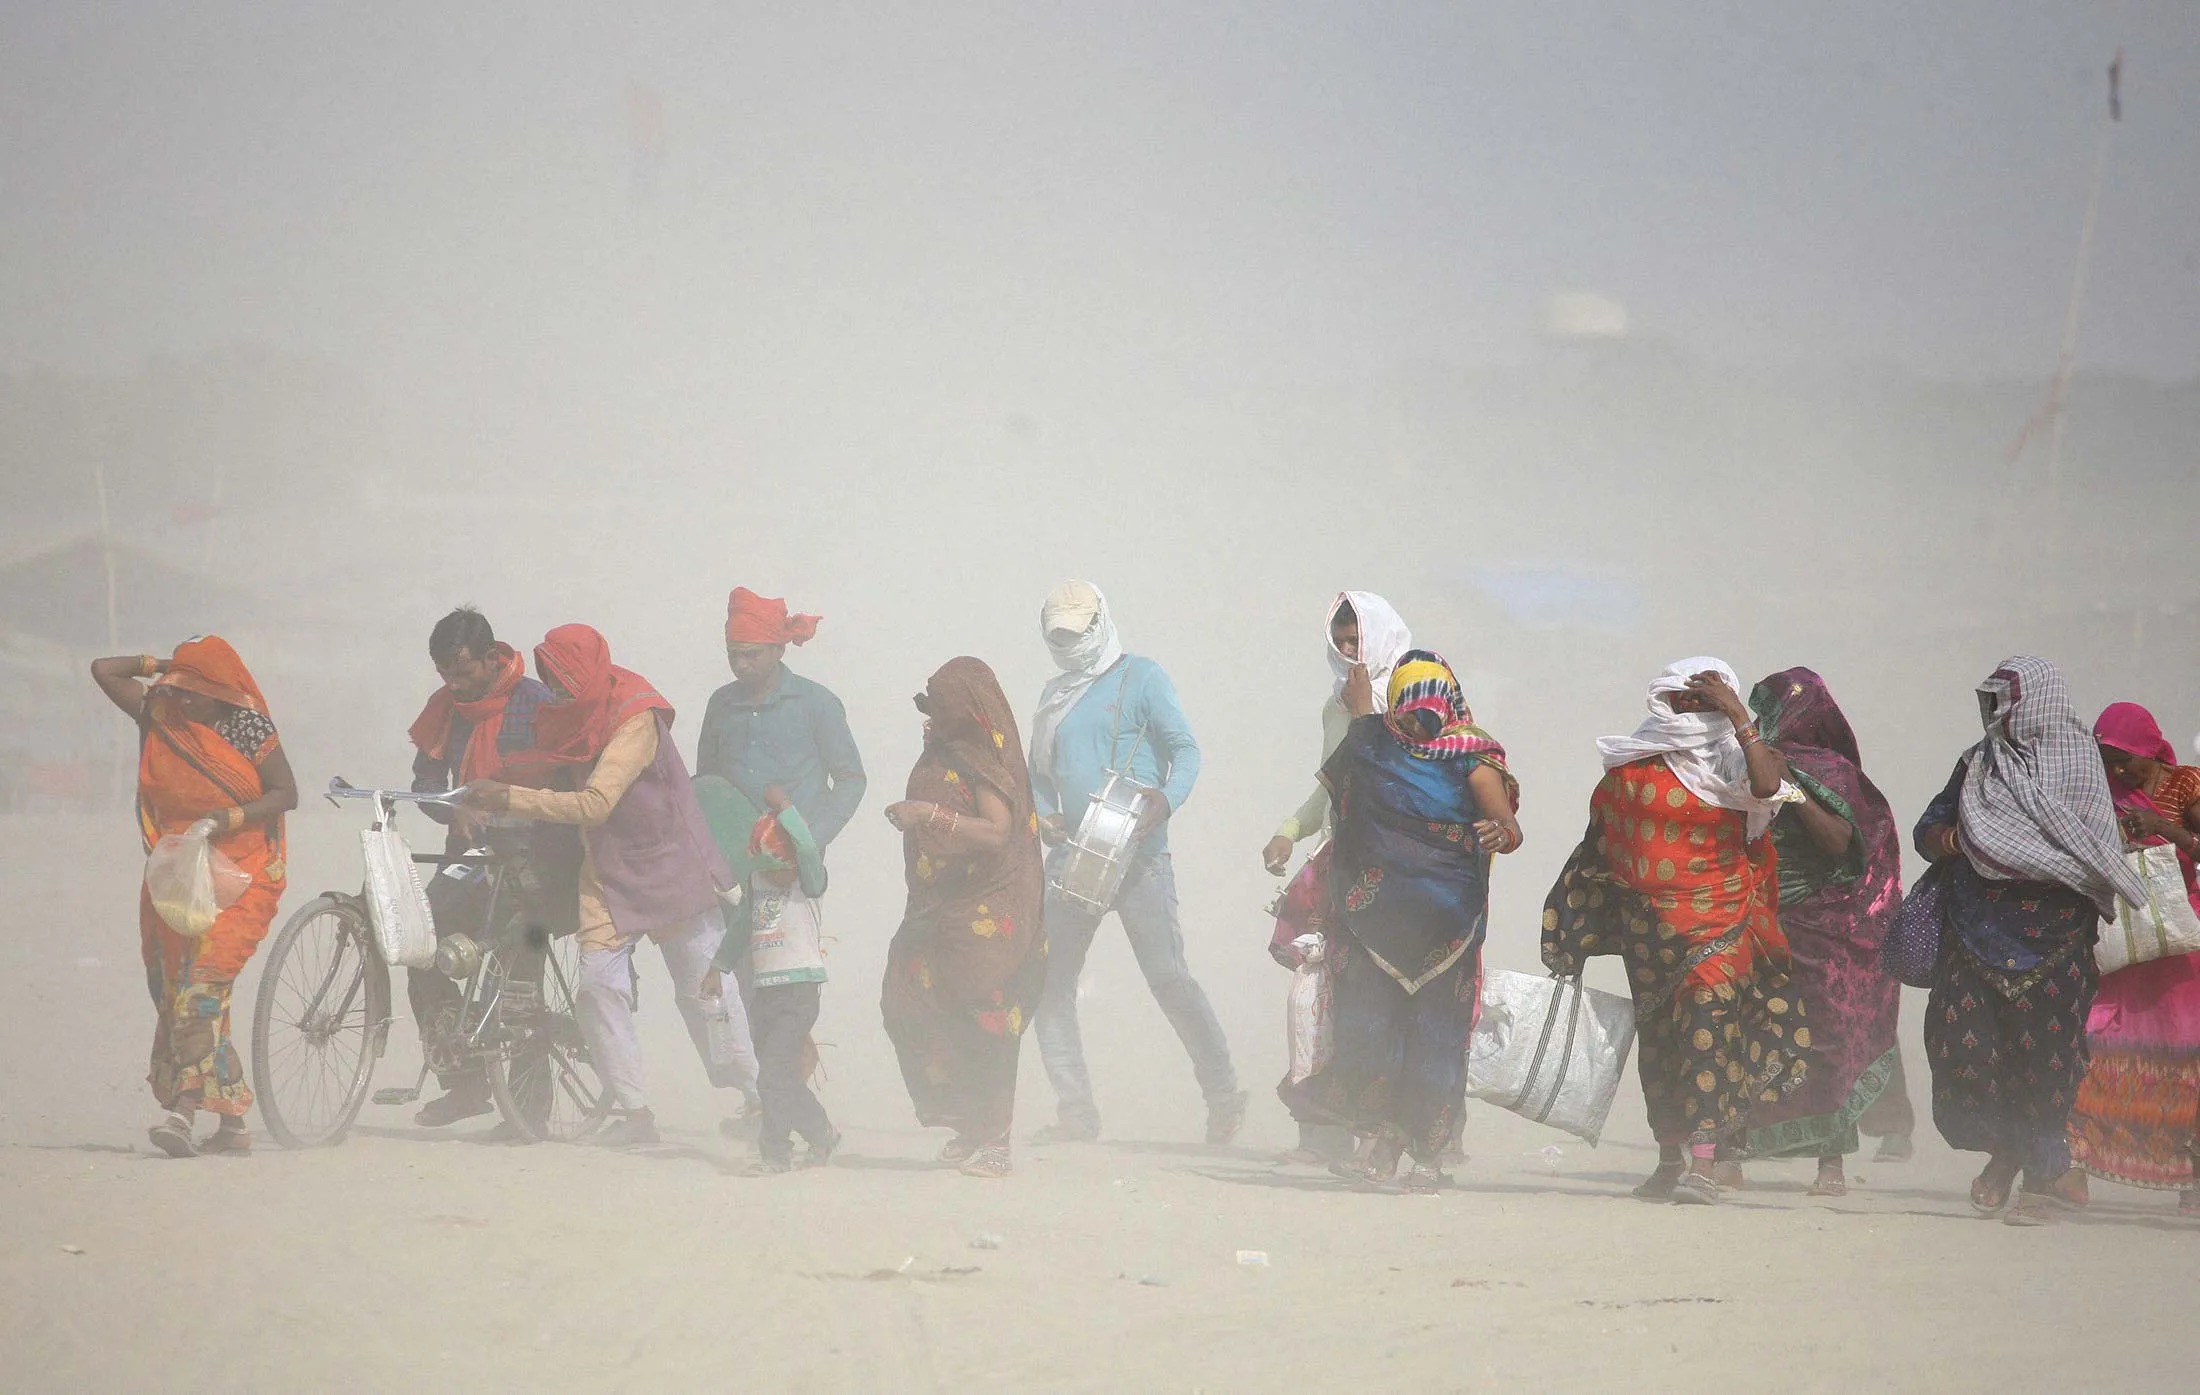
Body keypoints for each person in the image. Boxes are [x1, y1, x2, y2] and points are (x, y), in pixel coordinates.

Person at [458, 624, 742, 1149]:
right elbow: (549, 766)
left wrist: (507, 798)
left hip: (669, 864)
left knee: (705, 992)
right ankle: (635, 1111)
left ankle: (756, 1093)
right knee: (596, 988)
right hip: (607, 869)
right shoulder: (569, 717)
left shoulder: (634, 716)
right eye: (552, 681)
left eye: (565, 679)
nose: (559, 691)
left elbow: (595, 803)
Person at [1543, 657, 1809, 1206]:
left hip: (1721, 919)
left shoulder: (1746, 757)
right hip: (1649, 930)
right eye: (1683, 697)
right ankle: (1669, 1160)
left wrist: (1737, 714)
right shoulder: (1633, 760)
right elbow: (1603, 838)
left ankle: (1706, 1164)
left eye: (1706, 698)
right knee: (1661, 1044)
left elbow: (1765, 787)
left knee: (1708, 1030)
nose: (1692, 707)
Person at [1914, 655, 2143, 1226]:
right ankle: (2007, 1152)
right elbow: (1928, 830)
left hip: (2056, 942)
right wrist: (1962, 842)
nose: (1995, 714)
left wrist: (2021, 853)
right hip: (1973, 934)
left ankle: (2038, 1182)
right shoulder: (1978, 763)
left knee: (2044, 1064)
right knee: (1964, 1055)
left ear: (2035, 703)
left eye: (2005, 701)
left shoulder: (2083, 768)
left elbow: (2091, 850)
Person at [1278, 651, 1519, 1190]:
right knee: (1371, 1036)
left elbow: (1508, 826)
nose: (1415, 725)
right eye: (1406, 714)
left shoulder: (1472, 757)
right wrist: (1365, 717)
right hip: (1375, 924)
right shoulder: (1373, 743)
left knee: (1434, 1042)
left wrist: (1501, 832)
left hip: (1445, 929)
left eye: (1427, 716)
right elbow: (1345, 787)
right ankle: (1381, 1150)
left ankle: (1428, 1158)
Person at [1026, 580, 1246, 1144]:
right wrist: (1045, 815)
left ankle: (1224, 1096)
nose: (1069, 643)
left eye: (1077, 632)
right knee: (1051, 986)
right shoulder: (1055, 696)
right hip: (1076, 857)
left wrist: (1166, 799)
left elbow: (1187, 751)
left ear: (1100, 623)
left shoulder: (1143, 676)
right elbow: (1039, 774)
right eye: (1059, 635)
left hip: (1140, 856)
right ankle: (1075, 1112)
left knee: (1169, 978)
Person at [93, 638, 298, 1158]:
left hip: (245, 869)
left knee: (201, 989)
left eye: (197, 693)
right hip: (178, 868)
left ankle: (181, 1114)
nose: (186, 702)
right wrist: (167, 668)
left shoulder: (249, 725)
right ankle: (232, 1126)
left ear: (223, 693)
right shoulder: (161, 714)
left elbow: (285, 794)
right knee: (172, 988)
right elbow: (104, 670)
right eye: (179, 692)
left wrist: (225, 819)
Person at [695, 587, 865, 1137]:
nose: (743, 664)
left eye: (754, 654)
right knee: (750, 996)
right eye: (733, 654)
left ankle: (782, 1112)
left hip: (794, 878)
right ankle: (779, 1104)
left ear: (780, 650)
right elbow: (709, 787)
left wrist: (808, 841)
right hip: (736, 874)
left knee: (785, 997)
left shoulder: (817, 703)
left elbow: (852, 780)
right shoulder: (721, 705)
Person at [1729, 668, 1906, 1195]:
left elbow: (1836, 844)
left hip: (1822, 927)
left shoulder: (1833, 772)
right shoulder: (1752, 762)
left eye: (1773, 710)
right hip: (1759, 917)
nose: (1766, 721)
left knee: (1829, 1041)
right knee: (1748, 1035)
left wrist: (1792, 793)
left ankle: (1831, 1164)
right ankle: (1731, 1153)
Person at [402, 606, 572, 1128]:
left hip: (532, 861)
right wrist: (455, 807)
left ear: (492, 658)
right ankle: (465, 1081)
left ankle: (529, 1111)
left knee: (516, 980)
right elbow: (426, 783)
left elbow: (564, 781)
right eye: (445, 674)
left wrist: (511, 805)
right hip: (470, 858)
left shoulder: (538, 703)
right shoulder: (445, 710)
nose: (455, 684)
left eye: (463, 671)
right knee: (423, 949)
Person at [880, 658, 1048, 1178]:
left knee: (987, 1020)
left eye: (944, 705)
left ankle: (996, 1143)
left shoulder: (984, 760)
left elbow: (996, 832)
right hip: (937, 908)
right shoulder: (945, 750)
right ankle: (967, 1124)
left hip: (987, 911)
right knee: (910, 1002)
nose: (933, 714)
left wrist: (926, 815)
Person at [1263, 593, 1412, 1166]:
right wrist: (1289, 829)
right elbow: (1331, 785)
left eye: (1359, 638)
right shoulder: (1336, 706)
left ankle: (1395, 1132)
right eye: (1342, 640)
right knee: (1318, 993)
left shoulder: (1411, 699)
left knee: (1377, 995)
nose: (1351, 649)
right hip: (1338, 862)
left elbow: (1403, 778)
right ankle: (1322, 1132)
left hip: (1392, 867)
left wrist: (1366, 711)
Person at [2067, 700, 2200, 1214]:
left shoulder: (2187, 786)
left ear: (2151, 749)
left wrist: (2162, 829)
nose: (2119, 771)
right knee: (2096, 1050)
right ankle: (2076, 1165)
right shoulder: (2099, 793)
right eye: (2108, 761)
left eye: (2127, 761)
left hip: (2179, 945)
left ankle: (2190, 1176)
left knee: (2183, 1060)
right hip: (2120, 942)